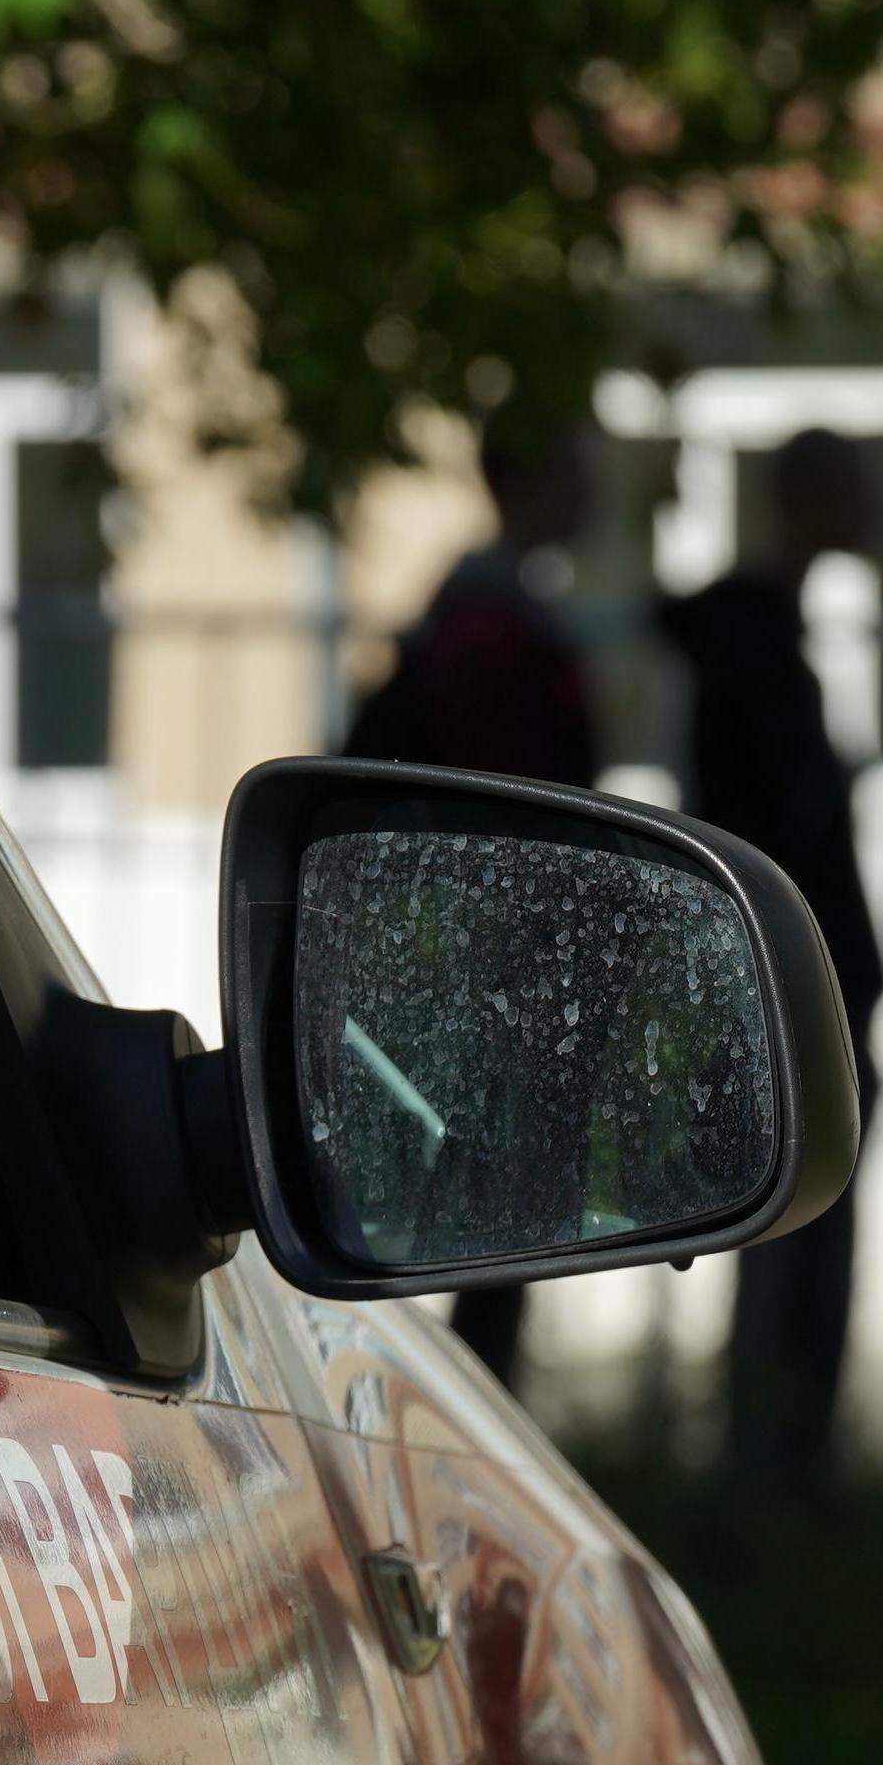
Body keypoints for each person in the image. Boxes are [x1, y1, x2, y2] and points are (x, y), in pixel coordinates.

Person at [343, 403, 601, 1388]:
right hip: (500, 963)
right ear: (529, 480)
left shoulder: (486, 613)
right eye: (577, 465)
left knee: (493, 1217)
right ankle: (459, 1411)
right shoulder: (494, 627)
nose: (593, 489)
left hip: (491, 959)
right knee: (495, 1221)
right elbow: (519, 807)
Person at [658, 429, 883, 1486]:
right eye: (855, 491)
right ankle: (775, 1469)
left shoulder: (757, 646)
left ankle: (778, 1468)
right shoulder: (755, 657)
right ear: (809, 501)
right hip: (780, 988)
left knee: (789, 1226)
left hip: (785, 981)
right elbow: (772, 836)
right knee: (790, 1228)